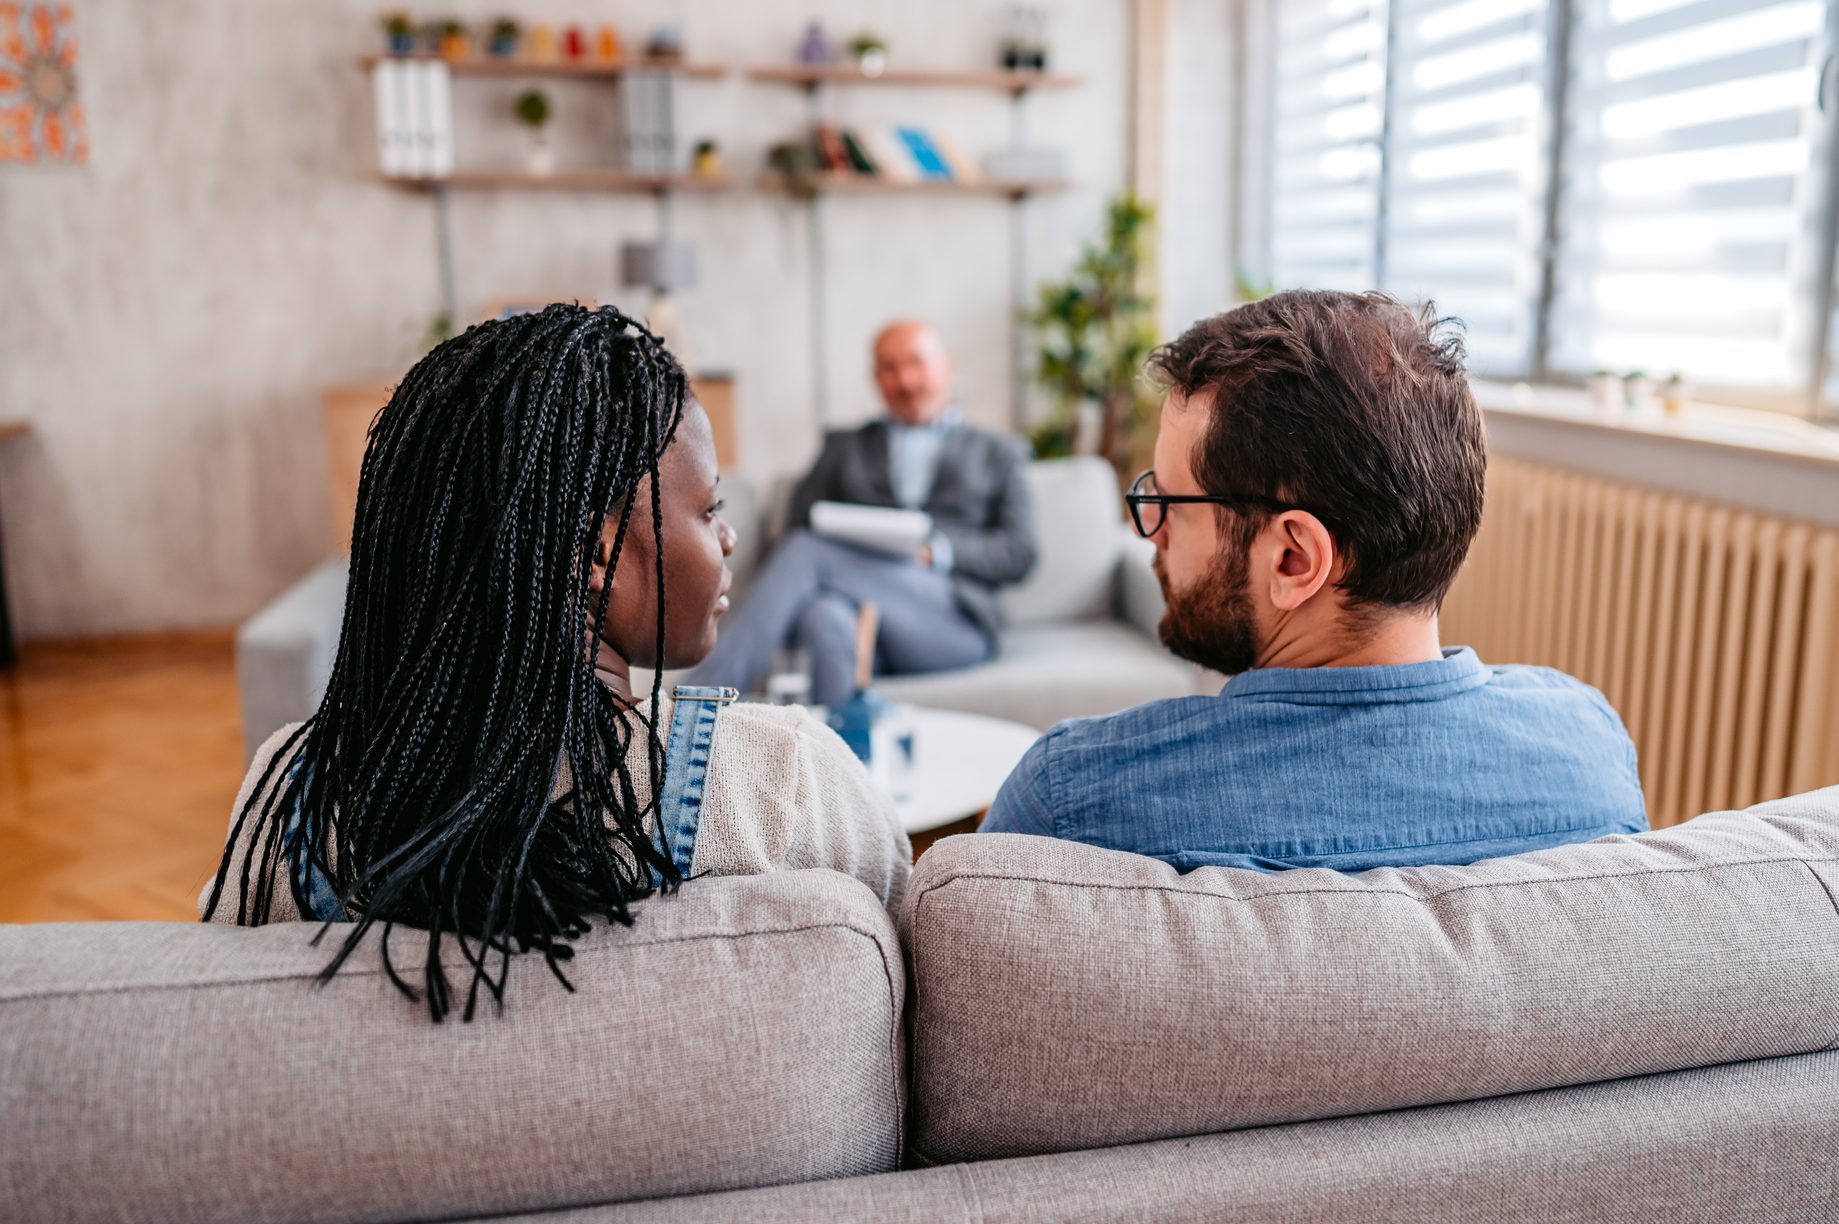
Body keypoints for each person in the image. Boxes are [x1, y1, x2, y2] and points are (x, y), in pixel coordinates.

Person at [201, 305, 909, 1020]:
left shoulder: (291, 799)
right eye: (707, 508)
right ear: (597, 552)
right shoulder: (784, 784)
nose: (726, 538)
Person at [981, 290, 1647, 870]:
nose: (1146, 531)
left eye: (1169, 503)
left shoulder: (1070, 803)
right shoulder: (1588, 753)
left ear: (1293, 559)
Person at [683, 320, 1036, 706]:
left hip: (951, 621)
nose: (905, 380)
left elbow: (1019, 552)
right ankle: (843, 756)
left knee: (808, 553)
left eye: (916, 364)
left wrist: (938, 552)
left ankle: (695, 704)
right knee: (824, 618)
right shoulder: (844, 447)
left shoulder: (999, 453)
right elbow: (796, 525)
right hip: (862, 621)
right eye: (889, 368)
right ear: (875, 378)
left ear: (946, 366)